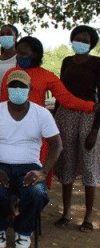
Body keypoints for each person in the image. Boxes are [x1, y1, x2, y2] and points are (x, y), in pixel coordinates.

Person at [0, 70, 63, 248]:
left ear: (30, 89)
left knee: (37, 194)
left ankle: (23, 231)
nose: (17, 89)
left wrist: (43, 172)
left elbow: (57, 145)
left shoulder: (42, 114)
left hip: (30, 166)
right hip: (0, 165)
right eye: (13, 86)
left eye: (22, 86)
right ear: (7, 89)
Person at [0, 36, 99, 188]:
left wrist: (90, 106)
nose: (19, 57)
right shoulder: (10, 74)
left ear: (35, 54)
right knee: (10, 170)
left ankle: (32, 207)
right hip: (12, 130)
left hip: (37, 131)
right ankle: (11, 207)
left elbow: (66, 99)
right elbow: (3, 103)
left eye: (24, 54)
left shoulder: (46, 76)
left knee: (34, 171)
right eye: (18, 54)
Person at [53, 25, 100, 232]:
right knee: (67, 163)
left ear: (92, 44)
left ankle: (88, 216)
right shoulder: (66, 62)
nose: (80, 42)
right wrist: (54, 118)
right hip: (65, 115)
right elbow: (60, 92)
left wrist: (95, 130)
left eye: (85, 39)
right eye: (77, 38)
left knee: (89, 165)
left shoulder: (97, 63)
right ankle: (66, 213)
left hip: (89, 116)